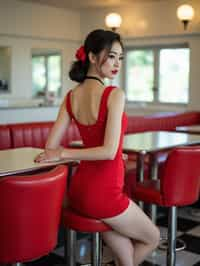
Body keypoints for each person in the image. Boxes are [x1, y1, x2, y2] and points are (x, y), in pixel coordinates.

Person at [35, 29, 160, 266]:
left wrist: (69, 150)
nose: (117, 64)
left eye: (120, 58)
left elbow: (51, 145)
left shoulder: (71, 96)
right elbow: (107, 151)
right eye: (111, 56)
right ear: (92, 57)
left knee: (126, 260)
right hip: (105, 194)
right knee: (152, 238)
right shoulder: (114, 94)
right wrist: (66, 152)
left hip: (79, 192)